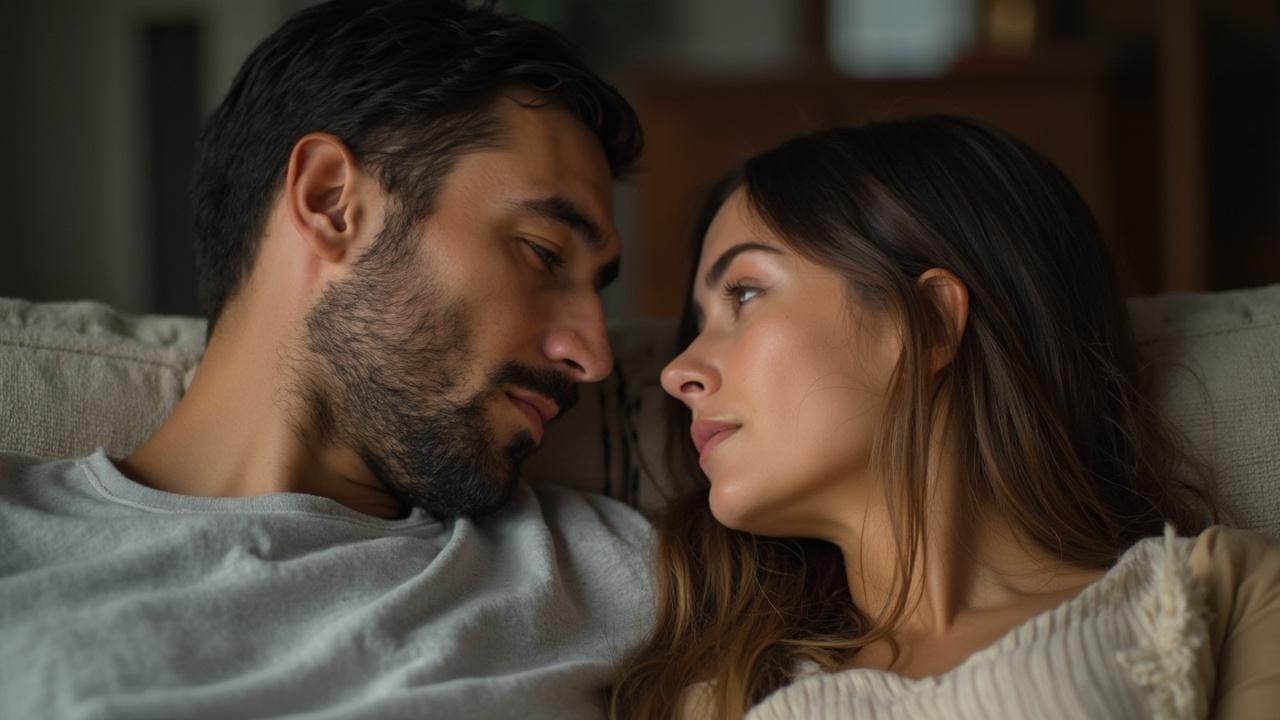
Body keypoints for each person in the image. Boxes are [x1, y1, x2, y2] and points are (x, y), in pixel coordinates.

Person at [0, 1, 654, 718]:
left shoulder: (600, 573)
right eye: (544, 253)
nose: (593, 355)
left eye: (597, 288)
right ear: (332, 201)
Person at [609, 116, 1280, 719]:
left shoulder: (1220, 595)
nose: (676, 373)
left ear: (927, 323)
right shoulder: (714, 693)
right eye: (697, 326)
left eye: (745, 293)